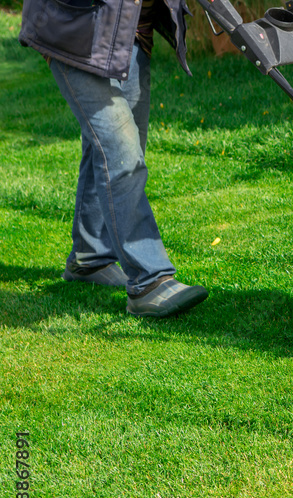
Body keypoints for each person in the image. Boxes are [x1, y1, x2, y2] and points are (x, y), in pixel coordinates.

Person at [19, 0, 208, 317]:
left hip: (129, 31)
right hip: (76, 30)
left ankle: (90, 257)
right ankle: (150, 281)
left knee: (109, 147)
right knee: (121, 152)